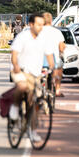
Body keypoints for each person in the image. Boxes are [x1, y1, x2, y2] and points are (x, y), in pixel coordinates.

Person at [10, 14, 53, 142]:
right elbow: (14, 55)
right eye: (39, 24)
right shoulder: (23, 37)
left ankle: (32, 131)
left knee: (34, 103)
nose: (41, 27)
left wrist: (51, 68)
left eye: (42, 25)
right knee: (22, 86)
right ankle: (15, 107)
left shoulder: (44, 39)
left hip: (35, 74)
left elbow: (49, 55)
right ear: (31, 24)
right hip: (21, 70)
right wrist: (16, 66)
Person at [39, 12, 65, 97]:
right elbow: (61, 47)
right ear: (51, 20)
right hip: (54, 60)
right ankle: (57, 89)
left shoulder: (37, 31)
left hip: (39, 60)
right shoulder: (57, 32)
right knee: (59, 67)